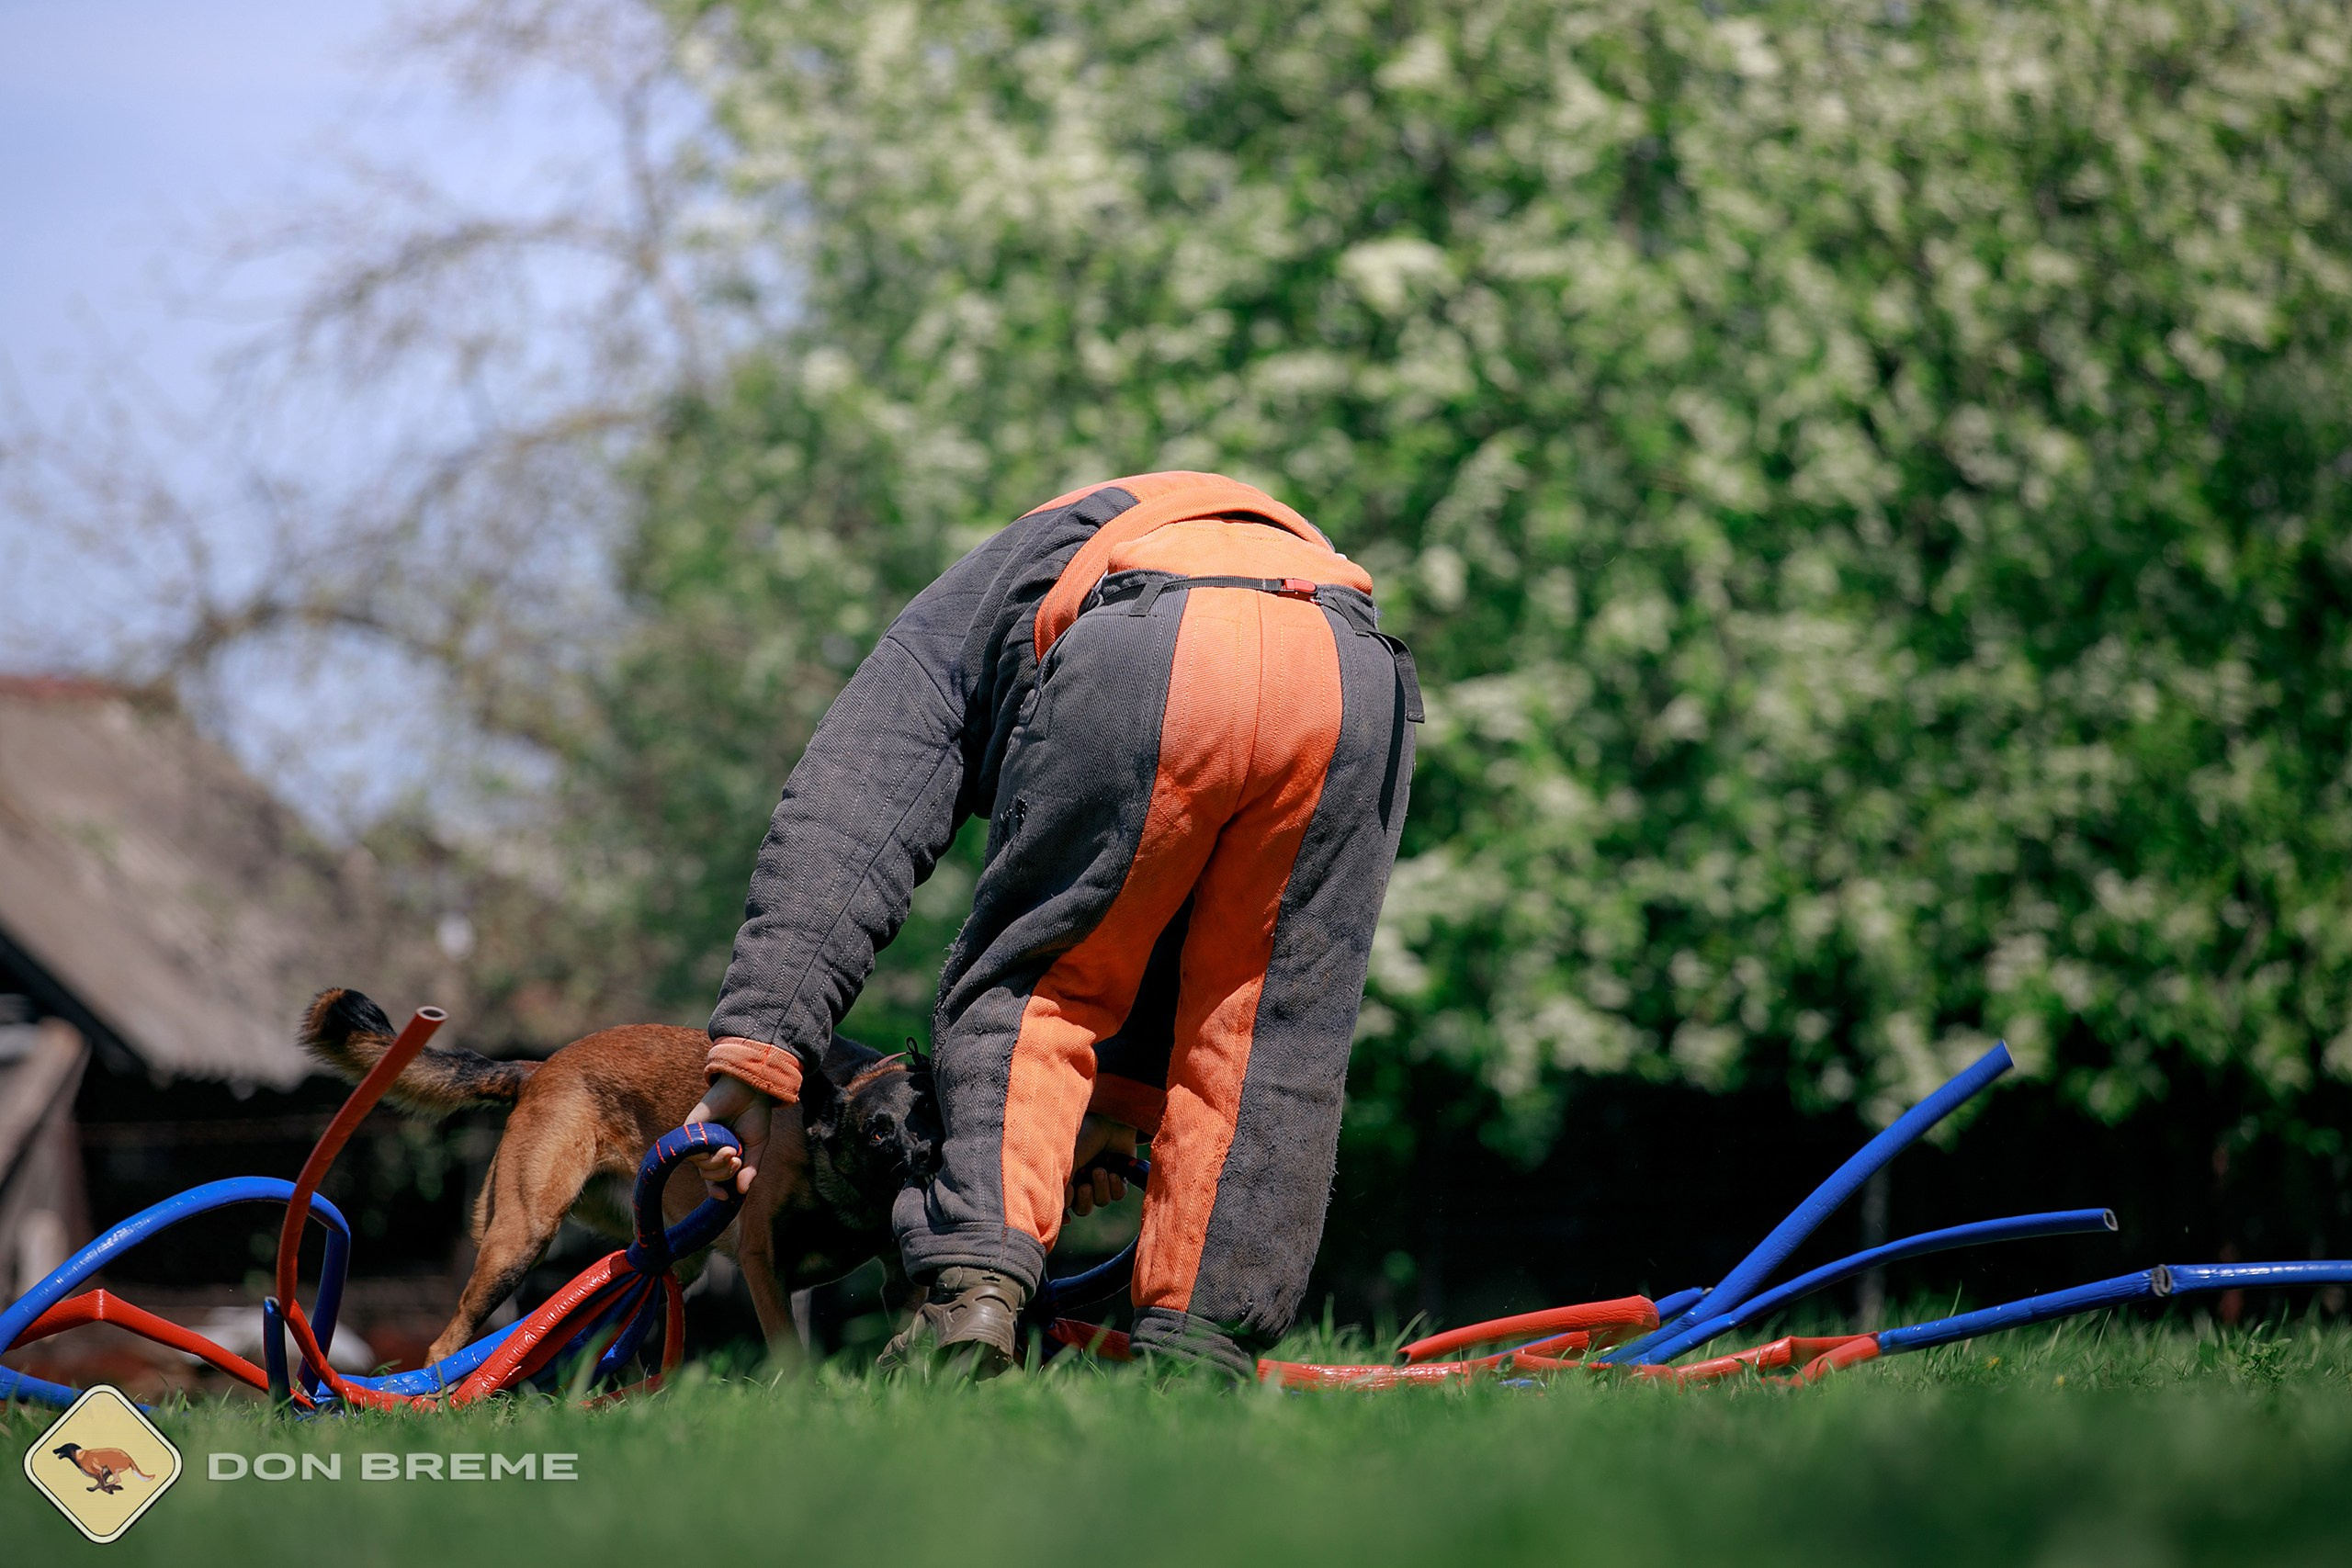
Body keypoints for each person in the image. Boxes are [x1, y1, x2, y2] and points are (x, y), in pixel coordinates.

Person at [685, 471, 1419, 1378]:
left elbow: (846, 818)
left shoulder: (966, 606)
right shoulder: (1215, 532)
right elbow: (1182, 890)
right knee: (1269, 1034)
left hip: (1144, 645)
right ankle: (1202, 1350)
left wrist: (758, 1052)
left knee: (1039, 985)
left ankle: (971, 1297)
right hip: (1349, 665)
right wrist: (1115, 1103)